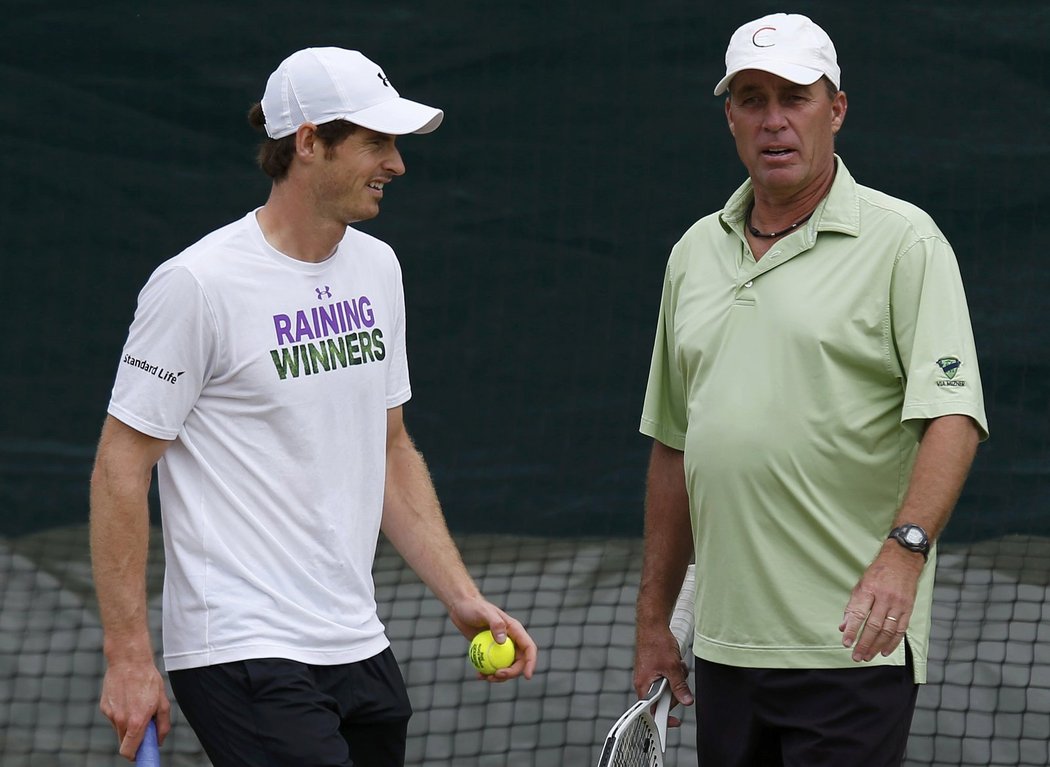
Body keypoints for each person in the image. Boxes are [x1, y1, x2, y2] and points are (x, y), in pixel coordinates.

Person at [90, 47, 537, 766]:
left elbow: (389, 448)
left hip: (358, 643)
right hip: (241, 647)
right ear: (307, 142)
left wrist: (463, 596)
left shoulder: (378, 268)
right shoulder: (196, 285)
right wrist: (128, 655)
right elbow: (120, 465)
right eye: (375, 142)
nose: (397, 164)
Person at [633, 13, 987, 766]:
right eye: (753, 99)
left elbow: (952, 416)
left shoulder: (906, 241)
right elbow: (674, 446)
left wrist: (906, 550)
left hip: (850, 648)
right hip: (725, 654)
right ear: (729, 115)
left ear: (837, 109)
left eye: (795, 97)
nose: (774, 120)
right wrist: (654, 620)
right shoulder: (694, 252)